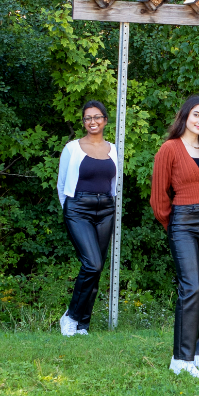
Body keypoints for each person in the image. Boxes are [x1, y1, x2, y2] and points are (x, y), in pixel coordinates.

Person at [150, 95, 199, 378]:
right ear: (185, 116)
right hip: (182, 221)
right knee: (191, 288)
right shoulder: (169, 149)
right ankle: (179, 359)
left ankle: (194, 353)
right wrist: (172, 227)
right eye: (197, 115)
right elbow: (159, 199)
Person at [56, 101, 119, 335]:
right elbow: (62, 185)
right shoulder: (72, 148)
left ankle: (83, 324)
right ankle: (71, 316)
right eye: (87, 118)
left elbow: (114, 184)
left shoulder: (114, 149)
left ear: (104, 120)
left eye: (97, 117)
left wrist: (109, 206)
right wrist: (69, 211)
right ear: (83, 122)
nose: (92, 121)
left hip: (105, 210)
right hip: (77, 208)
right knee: (91, 263)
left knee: (97, 267)